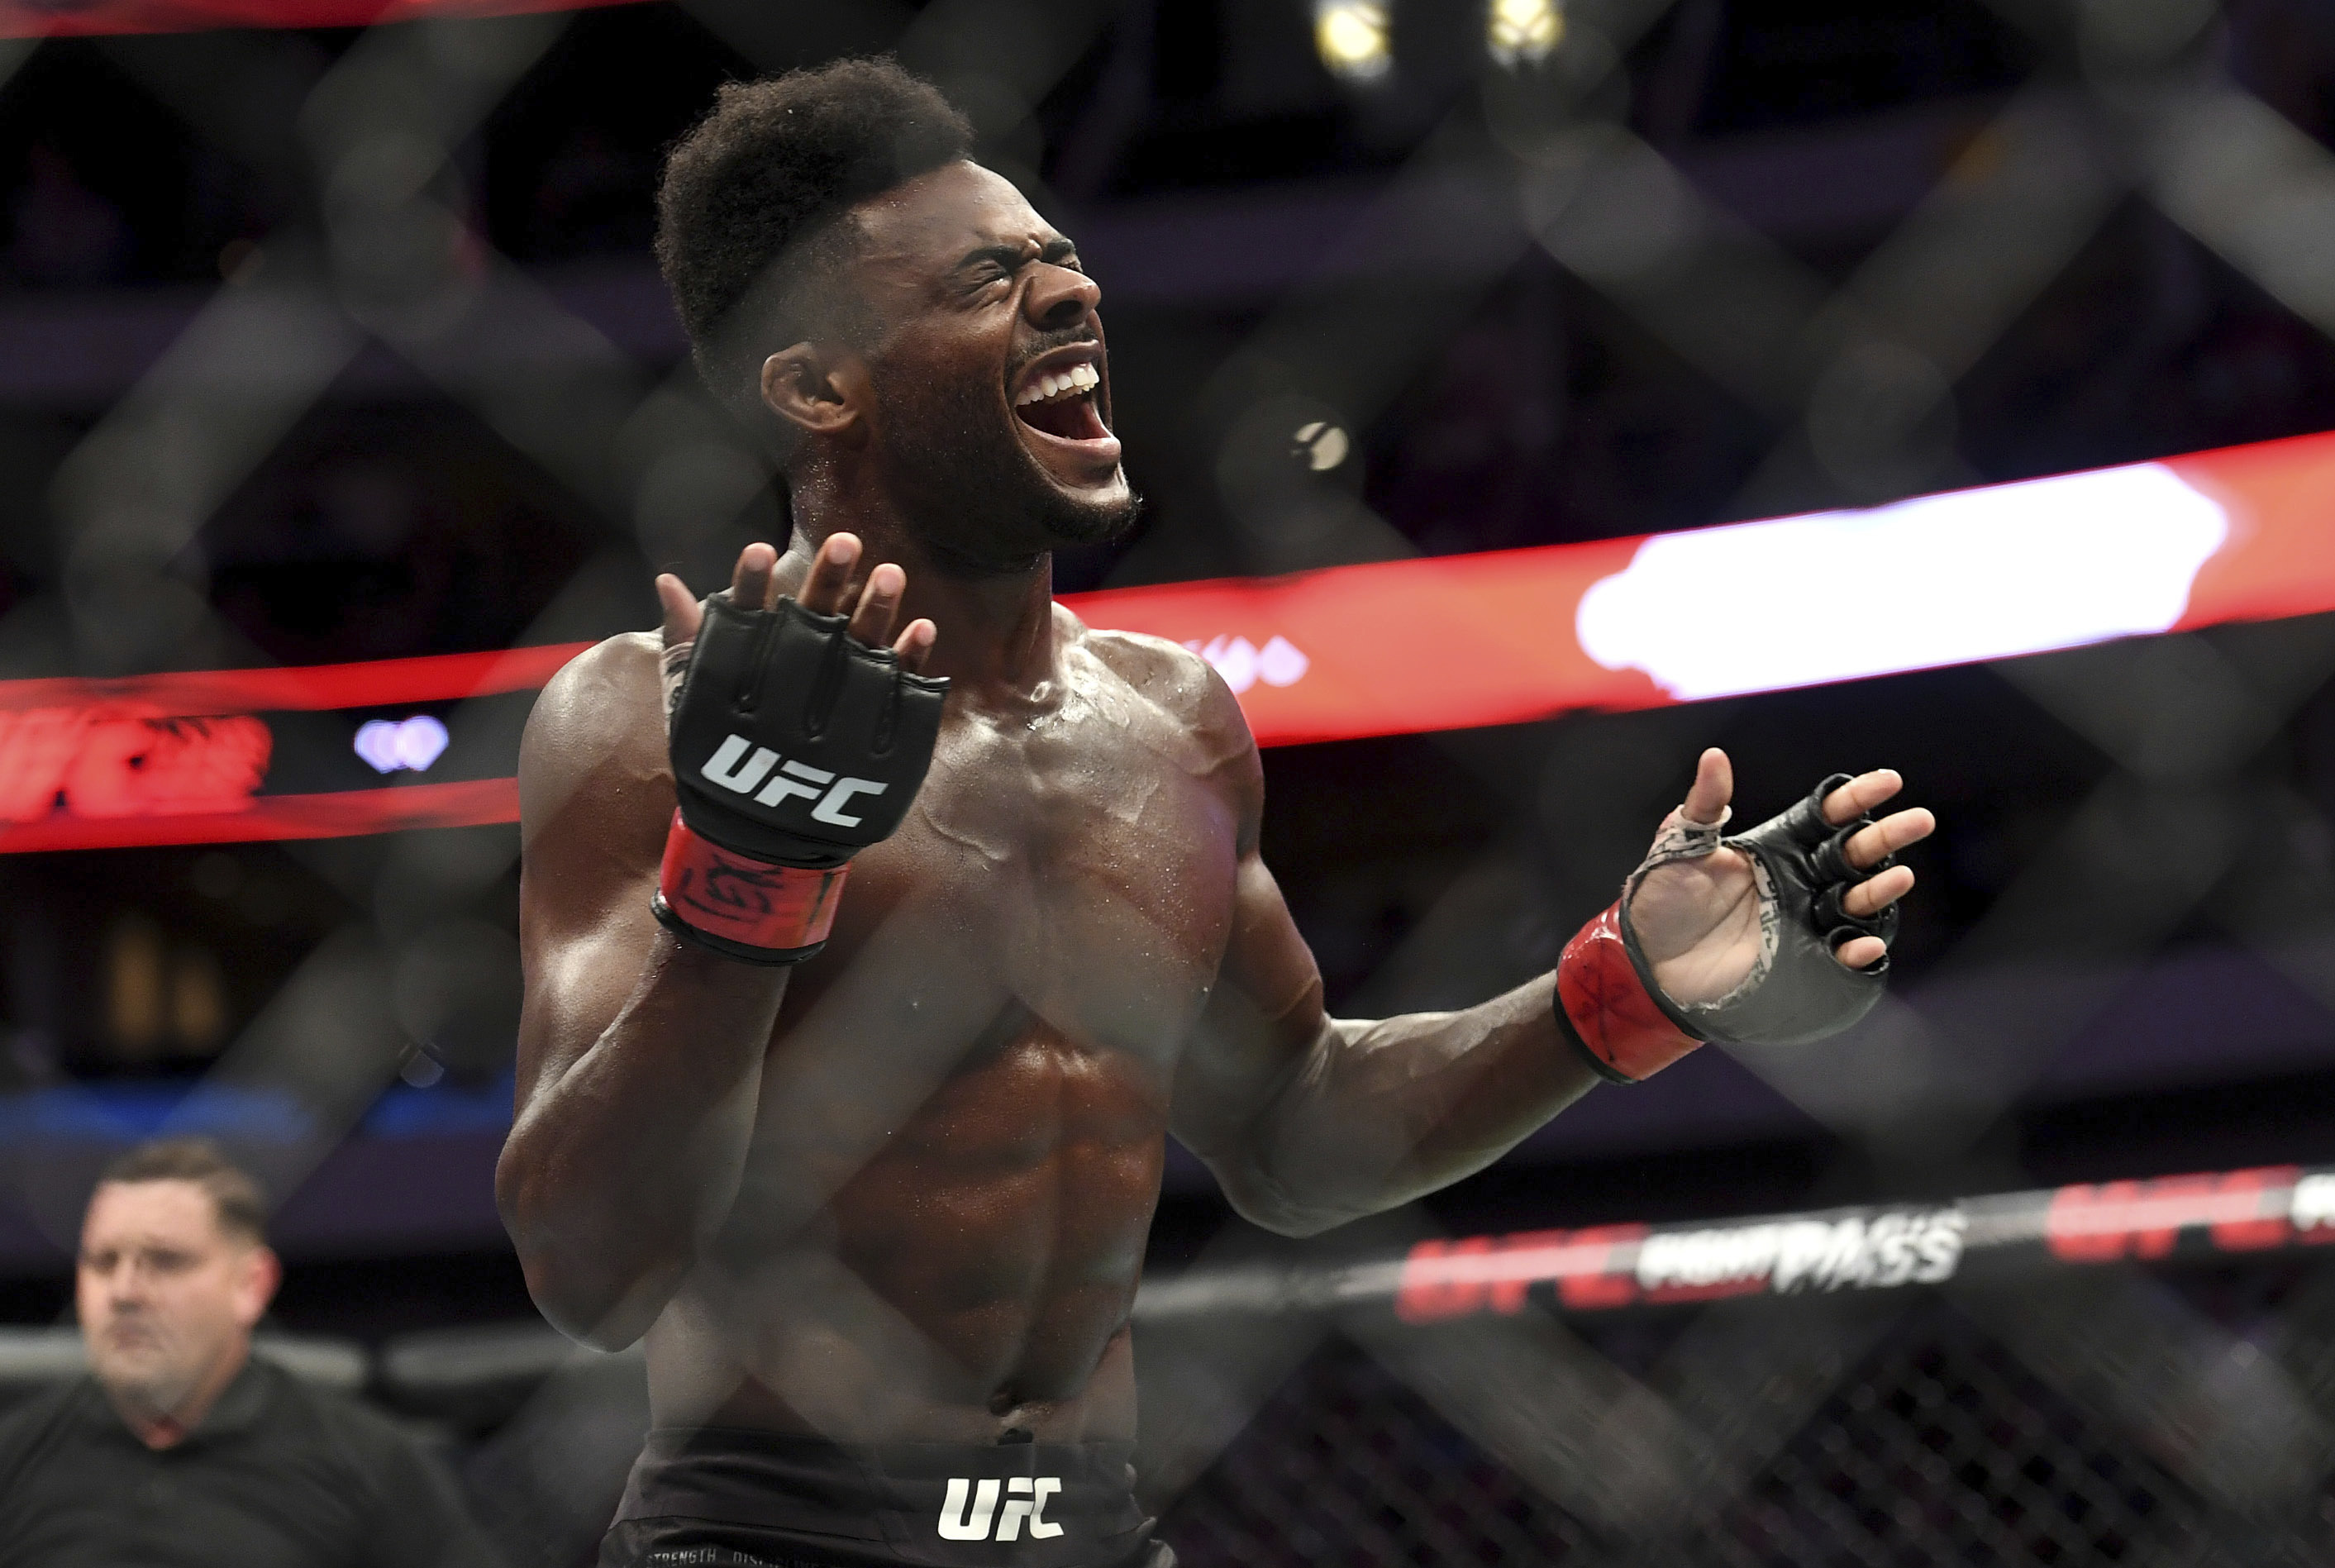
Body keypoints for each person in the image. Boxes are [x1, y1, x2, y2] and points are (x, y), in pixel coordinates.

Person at [498, 59, 1936, 1568]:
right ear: (817, 383)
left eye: (1066, 261)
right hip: (777, 1538)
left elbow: (1292, 1128)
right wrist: (747, 873)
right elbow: (587, 1268)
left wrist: (1614, 996)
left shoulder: (1171, 721)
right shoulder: (648, 720)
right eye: (994, 277)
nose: (1072, 297)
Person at [0, 1137, 497, 1567]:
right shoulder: (17, 1456)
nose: (125, 1291)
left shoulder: (370, 1465)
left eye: (166, 1261)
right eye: (103, 1262)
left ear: (250, 1285)